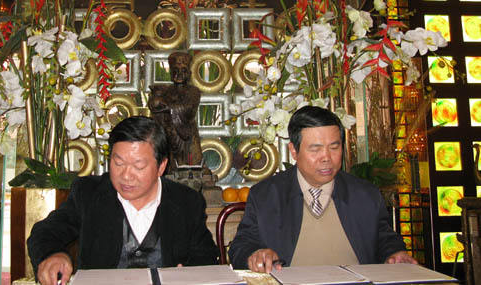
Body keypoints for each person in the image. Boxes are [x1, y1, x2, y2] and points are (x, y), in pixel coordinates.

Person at [27, 116, 218, 285]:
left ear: (161, 166)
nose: (126, 176)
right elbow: (45, 233)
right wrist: (52, 255)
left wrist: (189, 275)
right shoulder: (89, 194)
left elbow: (205, 257)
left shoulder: (187, 202)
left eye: (138, 166)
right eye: (118, 163)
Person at [228, 105, 417, 273]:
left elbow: (384, 238)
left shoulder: (365, 194)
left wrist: (395, 253)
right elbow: (241, 246)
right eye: (315, 149)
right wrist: (254, 254)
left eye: (334, 147)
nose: (326, 158)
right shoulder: (266, 195)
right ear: (294, 151)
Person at [148, 51, 202, 173]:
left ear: (189, 73)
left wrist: (167, 106)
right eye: (175, 71)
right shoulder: (166, 90)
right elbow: (154, 106)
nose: (179, 74)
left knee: (188, 164)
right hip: (167, 133)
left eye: (183, 71)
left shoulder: (193, 91)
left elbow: (188, 107)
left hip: (185, 133)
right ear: (171, 73)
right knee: (167, 163)